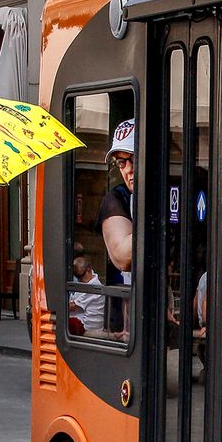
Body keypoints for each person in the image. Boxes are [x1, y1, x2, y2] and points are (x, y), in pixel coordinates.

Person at [96, 118, 134, 338]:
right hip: (125, 318)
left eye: (132, 159)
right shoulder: (116, 198)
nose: (128, 169)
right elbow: (122, 256)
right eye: (121, 163)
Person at [68, 256, 105, 333]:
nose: (79, 280)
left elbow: (72, 307)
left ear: (88, 269)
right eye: (77, 277)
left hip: (87, 326)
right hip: (82, 321)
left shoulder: (93, 286)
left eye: (81, 276)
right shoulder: (87, 282)